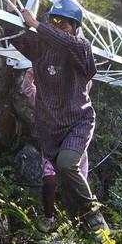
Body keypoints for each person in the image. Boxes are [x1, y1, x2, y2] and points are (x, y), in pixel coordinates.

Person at [5, 0, 108, 232]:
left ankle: (97, 222)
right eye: (54, 21)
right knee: (61, 176)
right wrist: (12, 2)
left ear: (75, 28)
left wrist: (37, 24)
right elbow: (13, 33)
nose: (57, 26)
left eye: (64, 23)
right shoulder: (41, 49)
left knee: (67, 165)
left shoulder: (81, 49)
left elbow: (65, 41)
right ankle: (81, 228)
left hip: (77, 123)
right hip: (51, 129)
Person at [22, 69, 90, 232]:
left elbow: (86, 83)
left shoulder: (77, 99)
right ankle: (49, 218)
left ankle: (83, 222)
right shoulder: (43, 99)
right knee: (50, 181)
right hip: (52, 149)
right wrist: (33, 69)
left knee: (76, 184)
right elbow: (27, 89)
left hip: (75, 149)